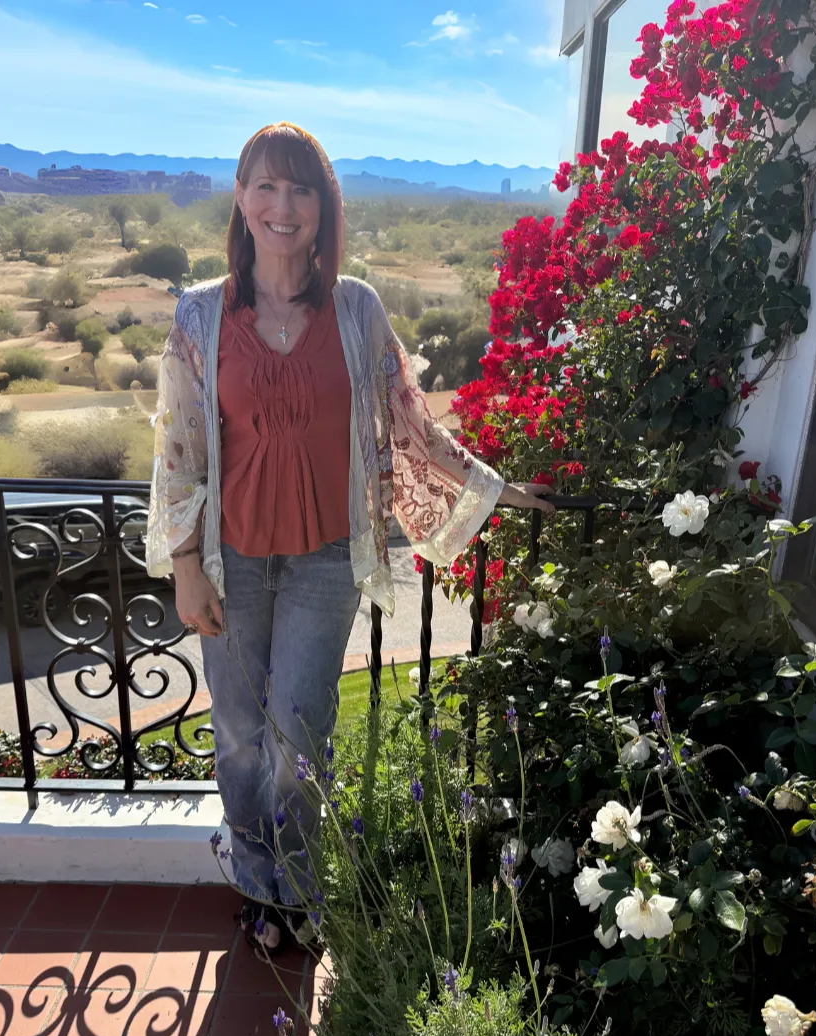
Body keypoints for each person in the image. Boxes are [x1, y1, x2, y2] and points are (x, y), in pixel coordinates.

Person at [145, 122, 553, 952]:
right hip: (229, 562)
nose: (283, 205)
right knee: (239, 737)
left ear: (324, 207)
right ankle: (256, 886)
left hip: (325, 562)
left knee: (300, 738)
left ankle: (300, 887)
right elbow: (178, 450)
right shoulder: (200, 314)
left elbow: (411, 421)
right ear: (241, 199)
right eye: (266, 185)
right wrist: (185, 564)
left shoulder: (357, 308)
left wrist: (495, 486)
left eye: (302, 188)